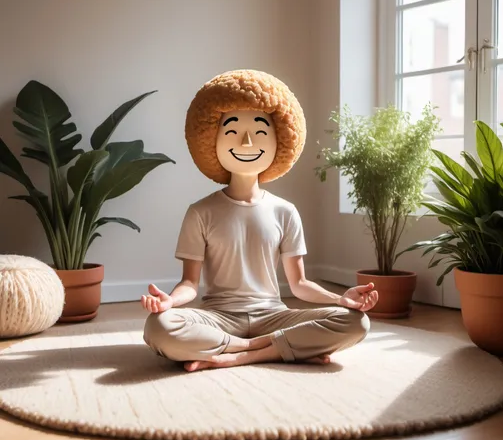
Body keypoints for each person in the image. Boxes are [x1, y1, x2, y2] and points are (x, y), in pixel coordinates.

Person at [141, 69, 377, 372]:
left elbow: (300, 284)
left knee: (357, 322)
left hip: (273, 315)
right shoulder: (200, 212)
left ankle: (243, 355)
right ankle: (273, 347)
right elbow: (190, 283)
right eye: (232, 132)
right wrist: (169, 303)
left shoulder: (285, 211)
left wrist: (340, 300)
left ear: (280, 141)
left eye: (261, 133)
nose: (248, 141)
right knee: (158, 326)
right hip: (218, 317)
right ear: (211, 141)